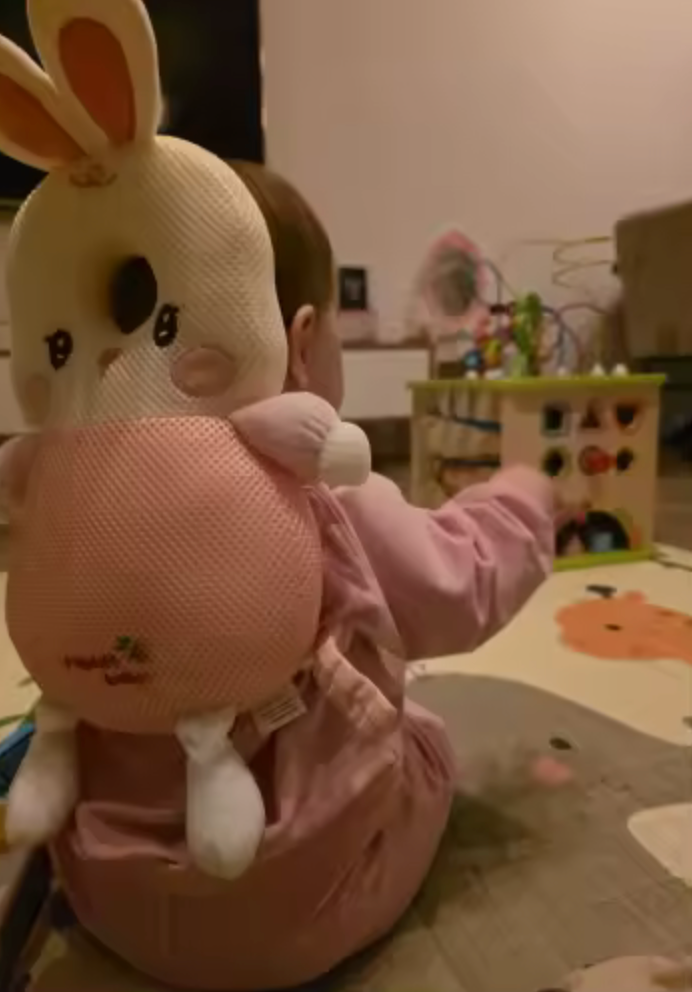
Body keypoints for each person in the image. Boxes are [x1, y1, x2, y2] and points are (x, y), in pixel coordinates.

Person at [52, 162, 555, 991]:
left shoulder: (73, 500)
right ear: (304, 340)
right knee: (427, 743)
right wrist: (523, 498)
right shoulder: (322, 498)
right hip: (292, 916)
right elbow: (461, 585)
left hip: (108, 894)